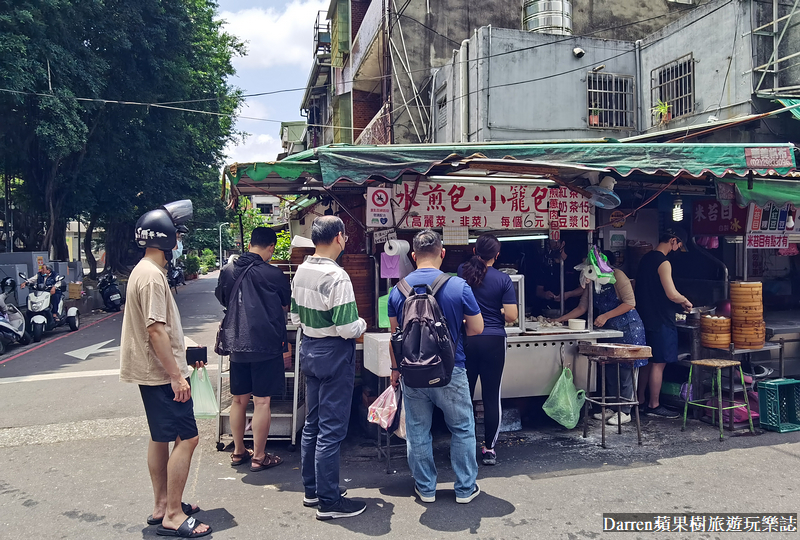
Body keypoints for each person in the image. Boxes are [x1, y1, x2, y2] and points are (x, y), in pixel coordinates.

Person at [120, 200, 212, 538]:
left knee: (162, 437)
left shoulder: (143, 271)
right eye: (179, 236)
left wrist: (184, 348)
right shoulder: (153, 278)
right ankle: (173, 514)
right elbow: (155, 329)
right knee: (188, 438)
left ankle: (162, 505)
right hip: (161, 375)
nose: (181, 242)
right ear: (169, 240)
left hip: (152, 370)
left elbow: (162, 329)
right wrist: (176, 375)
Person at [388, 229, 484, 504]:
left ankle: (426, 488)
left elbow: (394, 338)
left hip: (412, 373)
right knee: (462, 428)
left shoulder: (398, 290)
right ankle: (465, 489)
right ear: (442, 253)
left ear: (413, 256)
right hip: (451, 370)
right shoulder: (458, 286)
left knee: (418, 431)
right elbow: (477, 328)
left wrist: (396, 372)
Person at [290, 215, 367, 520]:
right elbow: (348, 327)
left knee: (313, 424)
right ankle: (329, 502)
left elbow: (295, 318)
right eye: (345, 237)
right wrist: (362, 323)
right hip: (335, 353)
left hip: (309, 350)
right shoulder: (338, 277)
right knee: (331, 430)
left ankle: (312, 490)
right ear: (338, 237)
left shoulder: (301, 271)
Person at [215, 227, 291, 472]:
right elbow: (285, 304)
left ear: (249, 243)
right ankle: (259, 457)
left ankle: (239, 451)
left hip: (237, 343)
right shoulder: (274, 273)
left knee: (238, 401)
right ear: (271, 247)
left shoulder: (228, 271)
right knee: (262, 402)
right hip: (266, 345)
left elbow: (223, 299)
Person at [555, 250, 647, 425]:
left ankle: (625, 410)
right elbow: (582, 307)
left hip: (628, 328)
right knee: (610, 369)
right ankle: (612, 406)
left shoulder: (618, 276)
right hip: (609, 330)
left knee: (625, 370)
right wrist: (559, 320)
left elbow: (630, 303)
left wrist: (606, 316)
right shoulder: (593, 280)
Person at [457, 233, 518, 465]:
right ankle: (489, 449)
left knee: (465, 394)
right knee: (492, 396)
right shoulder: (502, 279)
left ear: (475, 251)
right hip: (493, 340)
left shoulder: (463, 271)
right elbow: (512, 316)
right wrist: (497, 310)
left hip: (468, 339)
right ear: (497, 255)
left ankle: (464, 444)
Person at [635, 232, 693, 419]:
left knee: (646, 362)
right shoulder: (663, 262)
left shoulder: (645, 259)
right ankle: (654, 405)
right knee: (658, 364)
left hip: (644, 317)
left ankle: (640, 400)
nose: (677, 249)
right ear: (673, 240)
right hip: (661, 319)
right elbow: (671, 293)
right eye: (678, 245)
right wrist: (685, 301)